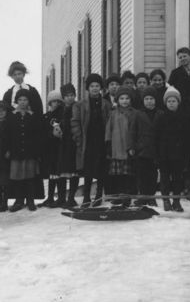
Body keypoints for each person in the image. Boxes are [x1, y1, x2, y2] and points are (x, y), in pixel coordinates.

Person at [71, 73, 110, 206]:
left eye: (97, 86)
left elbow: (109, 122)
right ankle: (86, 196)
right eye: (92, 86)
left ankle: (99, 195)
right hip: (87, 141)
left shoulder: (105, 104)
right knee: (88, 169)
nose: (94, 88)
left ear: (100, 88)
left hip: (101, 140)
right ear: (88, 88)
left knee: (101, 168)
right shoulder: (80, 105)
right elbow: (75, 122)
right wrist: (78, 139)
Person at [4, 89, 44, 211]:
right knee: (17, 177)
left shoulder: (33, 116)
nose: (22, 102)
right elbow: (7, 135)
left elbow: (38, 135)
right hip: (16, 151)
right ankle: (19, 200)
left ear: (28, 101)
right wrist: (7, 149)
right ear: (16, 101)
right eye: (20, 100)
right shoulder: (11, 116)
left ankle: (30, 200)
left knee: (29, 177)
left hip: (30, 152)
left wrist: (37, 151)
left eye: (25, 99)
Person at [154, 86, 190, 212]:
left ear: (178, 102)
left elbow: (187, 138)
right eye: (169, 101)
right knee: (165, 178)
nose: (171, 103)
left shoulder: (183, 117)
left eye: (174, 101)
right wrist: (158, 154)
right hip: (164, 154)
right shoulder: (161, 117)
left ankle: (176, 200)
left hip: (179, 154)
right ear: (166, 103)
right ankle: (166, 200)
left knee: (178, 178)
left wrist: (186, 154)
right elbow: (156, 137)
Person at [105, 85, 139, 206]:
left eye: (127, 98)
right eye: (122, 98)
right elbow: (109, 129)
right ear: (118, 100)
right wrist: (108, 144)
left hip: (128, 148)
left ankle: (127, 196)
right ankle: (118, 195)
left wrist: (134, 146)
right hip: (116, 148)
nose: (124, 101)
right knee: (117, 175)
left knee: (127, 175)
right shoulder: (113, 114)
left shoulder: (134, 113)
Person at [134, 86, 161, 205]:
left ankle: (151, 196)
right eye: (146, 99)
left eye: (151, 98)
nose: (149, 101)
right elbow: (133, 131)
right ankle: (143, 196)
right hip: (142, 150)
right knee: (142, 175)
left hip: (155, 150)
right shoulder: (138, 114)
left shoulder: (160, 114)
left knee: (153, 174)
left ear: (155, 100)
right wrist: (133, 147)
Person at [55, 83, 80, 208]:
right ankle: (61, 198)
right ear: (63, 98)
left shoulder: (78, 107)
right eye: (67, 96)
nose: (70, 98)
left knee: (73, 171)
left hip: (74, 143)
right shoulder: (60, 110)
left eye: (72, 95)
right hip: (62, 144)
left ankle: (71, 198)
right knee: (62, 172)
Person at [39, 90, 65, 207]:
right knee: (51, 174)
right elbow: (43, 131)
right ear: (49, 103)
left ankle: (61, 198)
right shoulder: (47, 116)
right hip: (50, 148)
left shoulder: (63, 114)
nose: (55, 103)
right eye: (53, 101)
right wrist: (50, 135)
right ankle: (50, 197)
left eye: (57, 101)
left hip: (60, 147)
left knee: (60, 173)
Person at [168, 47, 190, 122]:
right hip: (181, 107)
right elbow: (171, 89)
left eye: (184, 56)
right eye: (180, 57)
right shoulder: (175, 73)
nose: (182, 59)